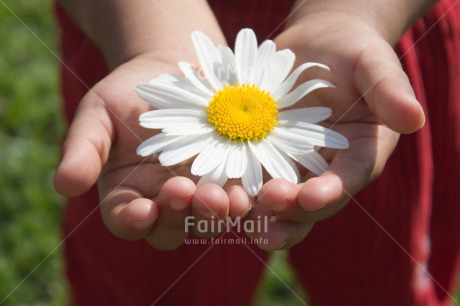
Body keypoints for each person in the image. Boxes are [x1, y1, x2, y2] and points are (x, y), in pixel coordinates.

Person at [53, 0, 459, 305]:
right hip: (131, 25)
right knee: (151, 286)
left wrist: (352, 15)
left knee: (380, 278)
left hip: (374, 32)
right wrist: (151, 36)